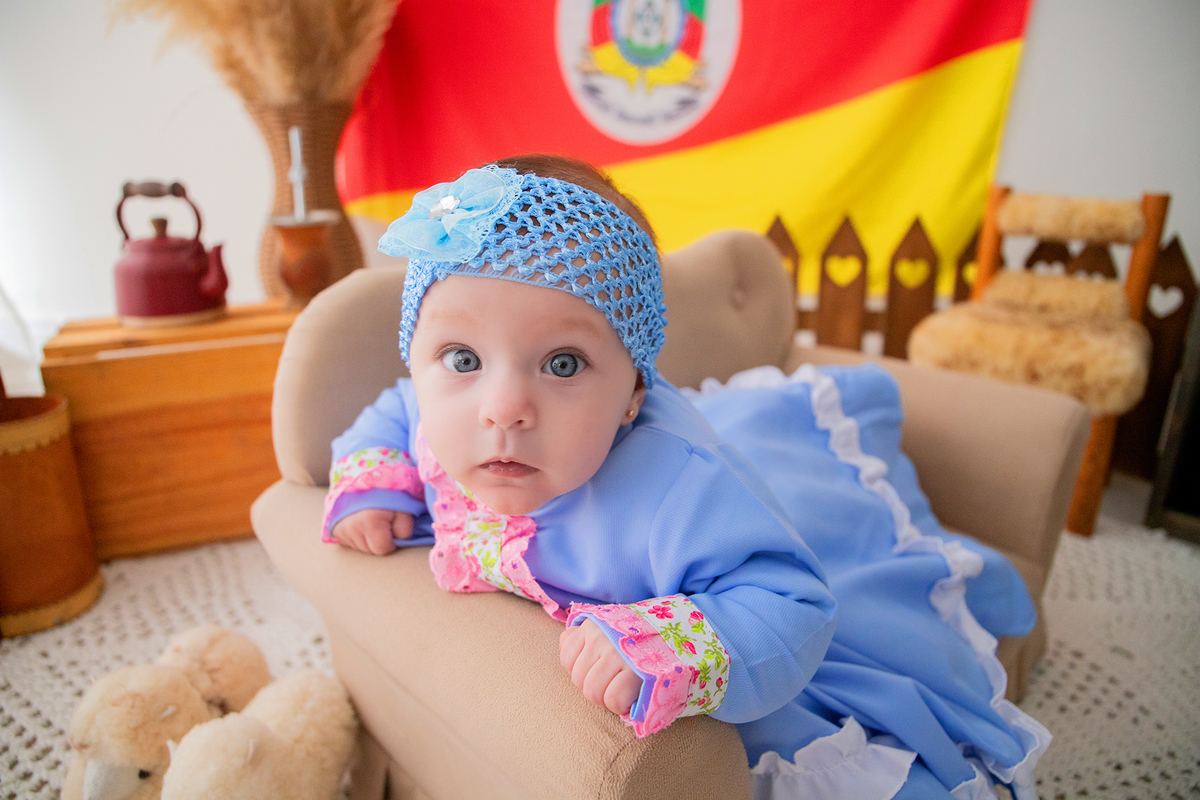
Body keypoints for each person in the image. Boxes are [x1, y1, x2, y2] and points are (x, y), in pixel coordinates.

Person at [323, 154, 1049, 800]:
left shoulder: (674, 488)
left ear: (633, 392)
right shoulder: (437, 410)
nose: (503, 407)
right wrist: (375, 479)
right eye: (462, 358)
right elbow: (396, 406)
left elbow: (794, 604)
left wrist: (668, 643)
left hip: (740, 560)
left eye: (563, 363)